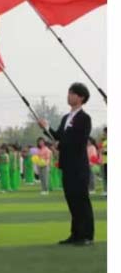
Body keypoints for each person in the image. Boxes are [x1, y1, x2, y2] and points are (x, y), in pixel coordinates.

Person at [39, 82, 95, 245]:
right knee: (72, 200)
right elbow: (58, 136)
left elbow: (79, 141)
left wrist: (61, 144)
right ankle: (76, 234)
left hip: (79, 166)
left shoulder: (84, 118)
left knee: (81, 200)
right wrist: (46, 128)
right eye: (69, 93)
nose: (68, 96)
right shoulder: (66, 118)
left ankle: (87, 235)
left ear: (81, 97)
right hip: (67, 165)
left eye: (72, 93)